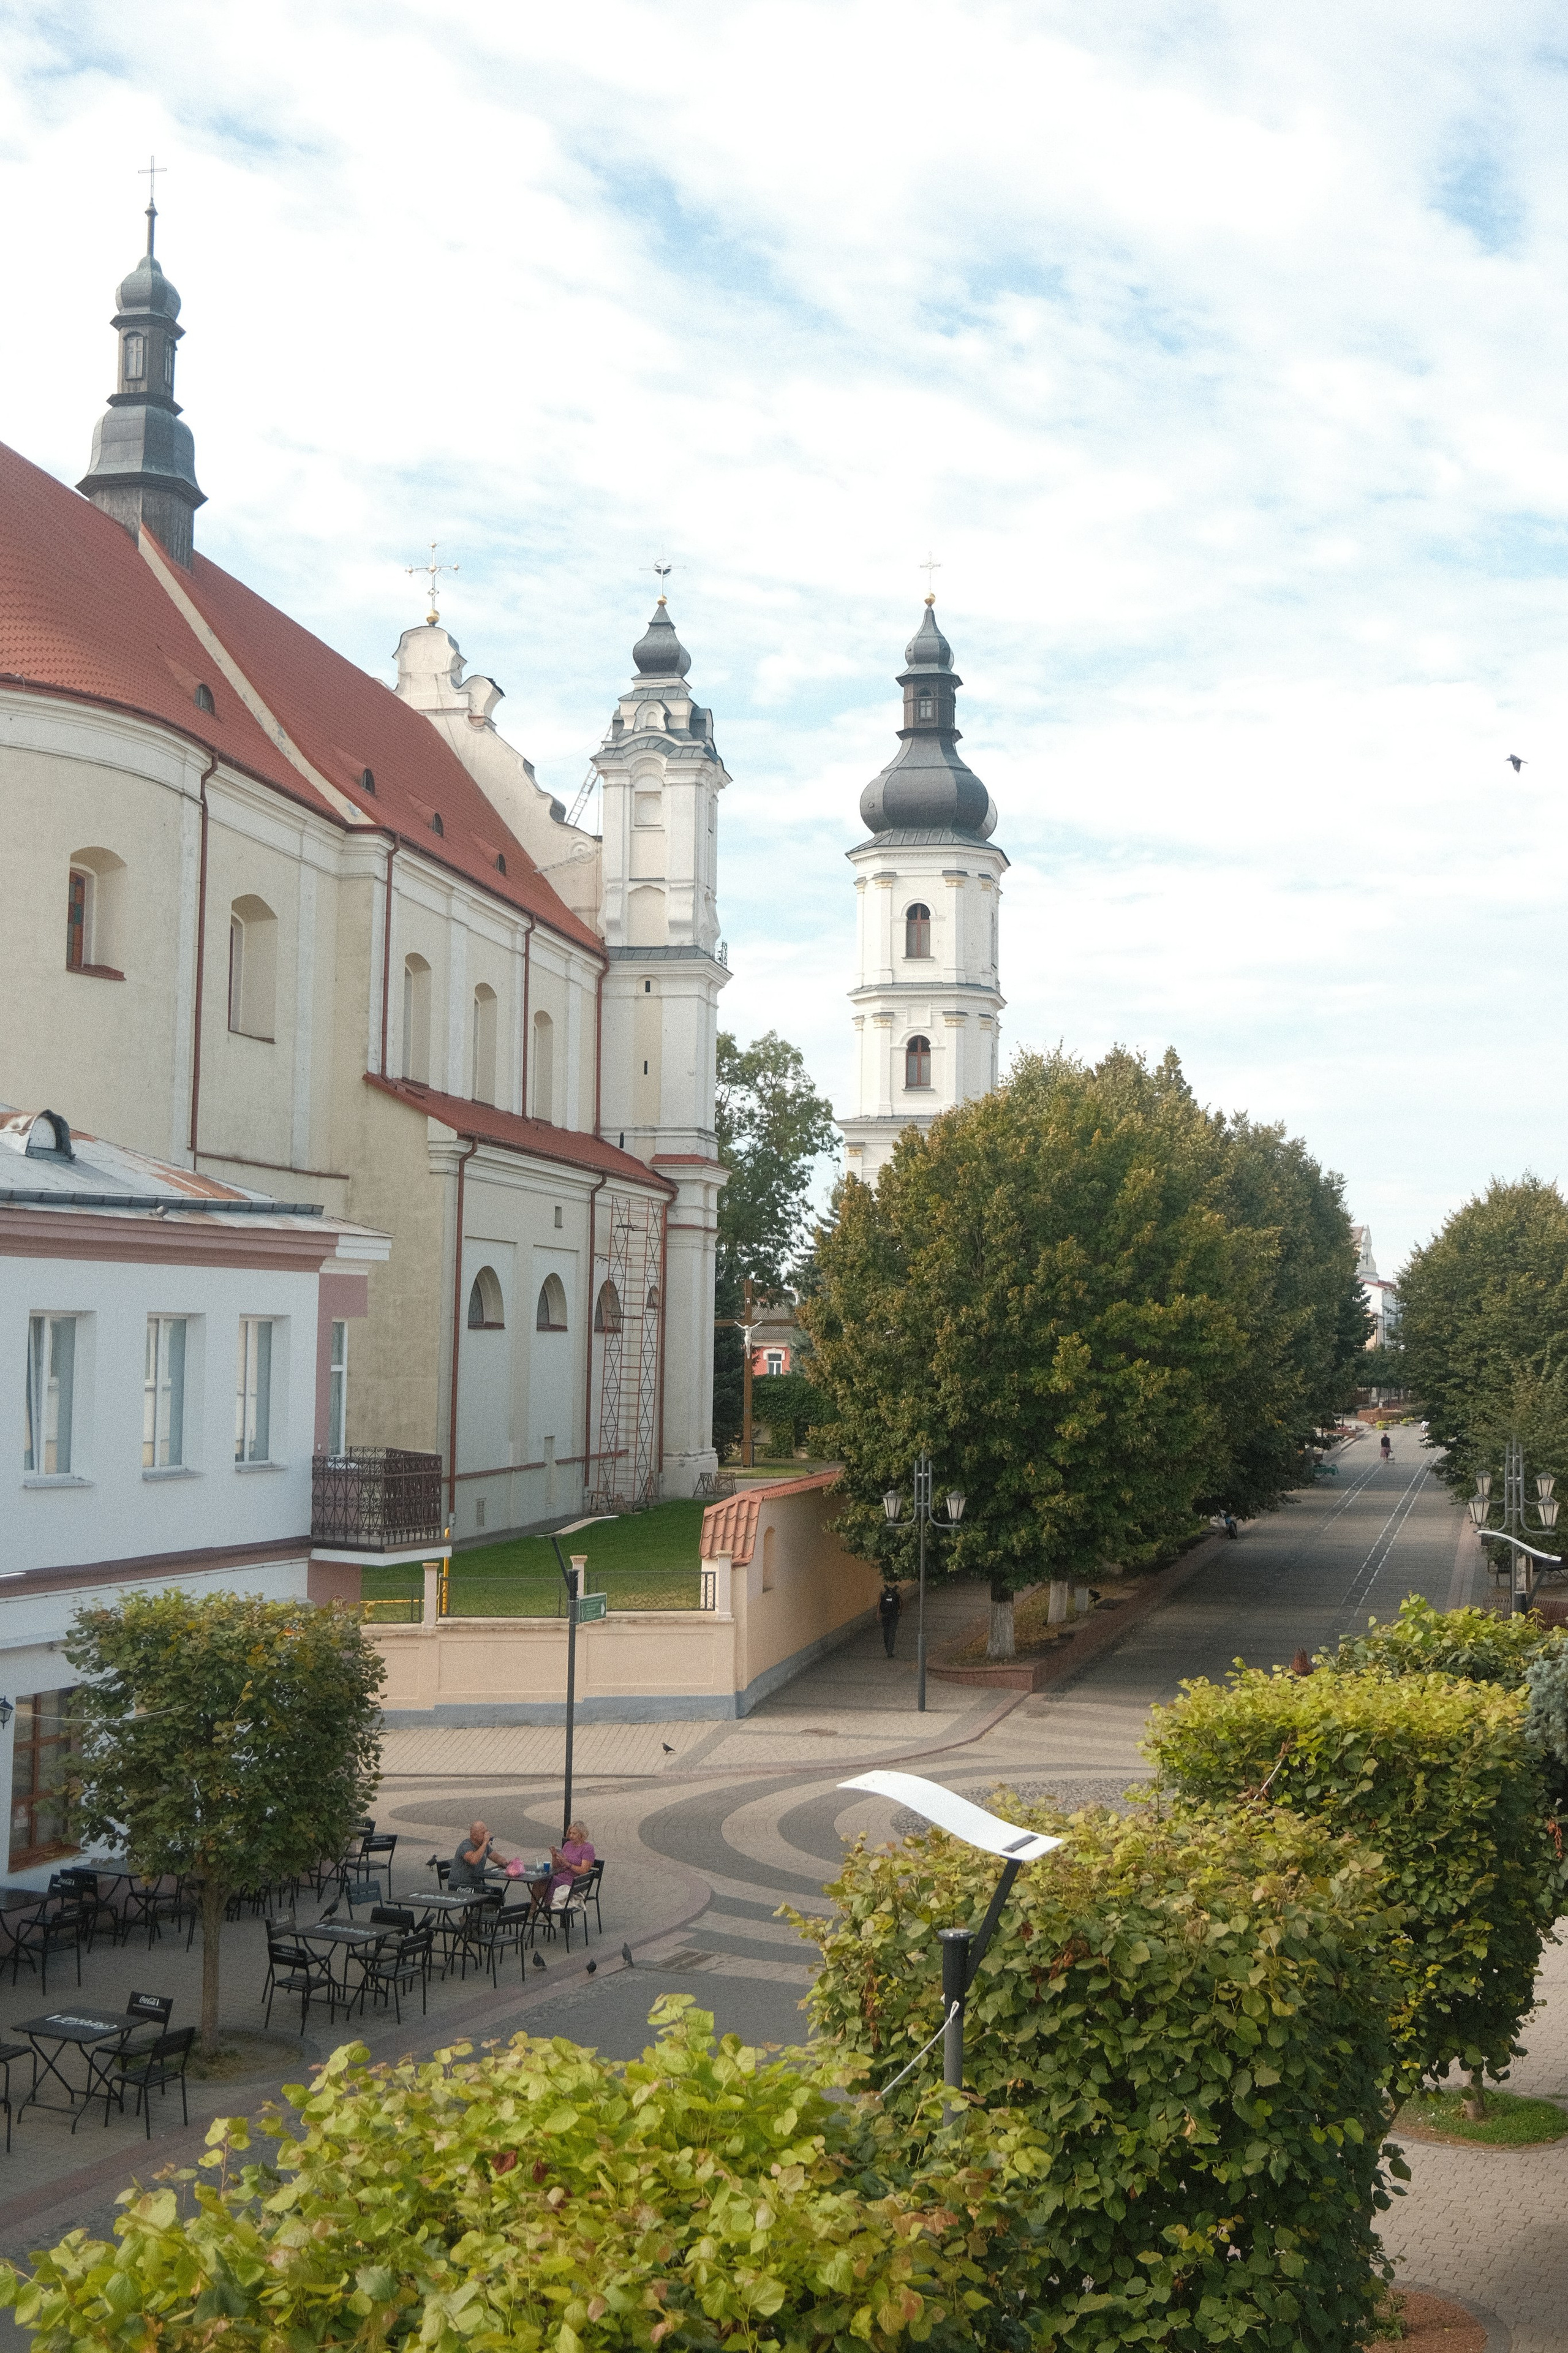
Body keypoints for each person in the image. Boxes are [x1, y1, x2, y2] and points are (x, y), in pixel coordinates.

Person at [450, 1821, 503, 1889]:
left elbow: (496, 1857)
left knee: (497, 1893)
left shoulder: (483, 1846)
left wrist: (506, 1863)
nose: (486, 1835)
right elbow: (474, 1860)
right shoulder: (466, 1846)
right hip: (459, 1886)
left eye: (487, 1832)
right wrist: (485, 1843)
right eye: (483, 1833)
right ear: (474, 1835)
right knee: (487, 1894)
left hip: (475, 1884)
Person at [549, 1821, 595, 1898]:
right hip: (561, 1876)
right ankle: (533, 1909)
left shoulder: (588, 1848)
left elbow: (584, 1870)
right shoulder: (567, 1845)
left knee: (547, 1883)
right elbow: (556, 1867)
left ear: (581, 1834)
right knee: (541, 1881)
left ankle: (548, 1906)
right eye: (570, 1833)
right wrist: (554, 1857)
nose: (571, 1836)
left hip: (574, 1881)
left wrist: (568, 1864)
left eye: (574, 1834)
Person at [878, 1584, 902, 1658]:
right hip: (894, 1615)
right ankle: (890, 1651)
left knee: (886, 1632)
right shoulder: (898, 1589)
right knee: (892, 1633)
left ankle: (887, 1648)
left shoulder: (883, 1589)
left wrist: (878, 1613)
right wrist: (900, 1612)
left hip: (885, 1614)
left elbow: (879, 1602)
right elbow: (902, 1602)